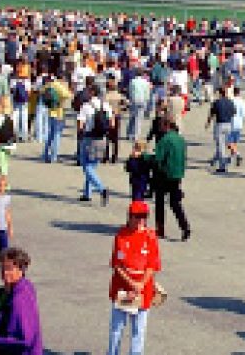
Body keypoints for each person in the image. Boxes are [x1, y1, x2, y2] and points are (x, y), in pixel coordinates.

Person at [108, 201, 162, 355]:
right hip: (122, 288)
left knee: (138, 331)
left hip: (142, 290)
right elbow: (117, 265)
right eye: (137, 217)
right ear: (129, 217)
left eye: (144, 217)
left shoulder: (150, 236)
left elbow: (152, 265)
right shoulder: (121, 236)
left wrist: (140, 284)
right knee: (116, 329)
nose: (140, 221)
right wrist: (132, 283)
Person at [0, 246, 43, 355]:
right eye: (2, 268)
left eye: (9, 269)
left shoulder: (20, 299)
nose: (5, 273)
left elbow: (23, 341)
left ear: (21, 270)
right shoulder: (5, 291)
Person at [152, 115, 190, 241]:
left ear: (166, 125)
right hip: (177, 174)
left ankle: (160, 228)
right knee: (175, 203)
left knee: (160, 202)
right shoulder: (180, 139)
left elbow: (158, 158)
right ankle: (184, 226)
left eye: (161, 125)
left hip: (164, 174)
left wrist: (145, 157)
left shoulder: (165, 139)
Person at [77, 89, 113, 205]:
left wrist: (80, 133)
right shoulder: (106, 106)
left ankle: (102, 189)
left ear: (92, 93)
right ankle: (87, 193)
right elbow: (112, 123)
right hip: (102, 138)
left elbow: (80, 123)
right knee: (92, 165)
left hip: (89, 137)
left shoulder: (86, 106)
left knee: (86, 165)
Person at [205, 87, 236, 173]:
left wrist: (208, 123)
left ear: (219, 93)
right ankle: (215, 160)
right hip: (229, 124)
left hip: (220, 124)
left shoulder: (217, 102)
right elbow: (234, 112)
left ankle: (223, 165)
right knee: (225, 143)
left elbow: (211, 113)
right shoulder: (230, 102)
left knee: (221, 145)